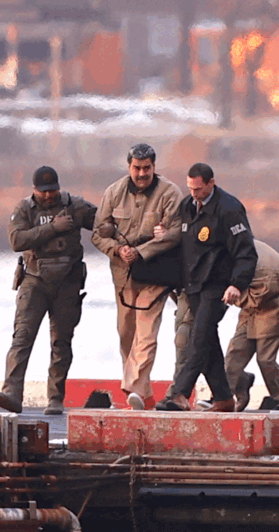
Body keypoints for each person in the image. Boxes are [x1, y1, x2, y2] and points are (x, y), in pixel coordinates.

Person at [0, 166, 97, 415]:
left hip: (67, 282)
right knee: (22, 337)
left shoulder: (75, 205)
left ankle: (55, 398)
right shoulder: (23, 209)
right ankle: (12, 392)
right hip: (35, 280)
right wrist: (54, 227)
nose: (49, 196)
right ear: (34, 190)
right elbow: (16, 241)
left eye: (53, 191)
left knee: (61, 342)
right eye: (44, 192)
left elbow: (102, 223)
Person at [155, 163, 257, 412]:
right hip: (193, 285)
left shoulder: (229, 209)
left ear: (211, 183)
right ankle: (223, 399)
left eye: (198, 189)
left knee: (198, 336)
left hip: (218, 286)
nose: (194, 194)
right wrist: (165, 234)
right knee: (207, 340)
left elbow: (246, 252)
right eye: (190, 188)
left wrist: (236, 284)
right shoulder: (187, 206)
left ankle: (180, 393)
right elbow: (184, 244)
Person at [91, 143, 184, 410]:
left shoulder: (169, 193)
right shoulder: (114, 192)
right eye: (137, 168)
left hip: (156, 273)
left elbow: (175, 233)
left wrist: (142, 251)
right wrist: (118, 250)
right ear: (129, 166)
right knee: (126, 335)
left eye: (146, 168)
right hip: (123, 277)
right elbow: (98, 234)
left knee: (146, 334)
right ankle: (143, 395)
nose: (141, 173)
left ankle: (131, 386)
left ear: (154, 167)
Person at [224, 239, 279, 411]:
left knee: (265, 358)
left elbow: (260, 295)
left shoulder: (265, 270)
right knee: (235, 351)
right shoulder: (231, 248)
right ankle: (226, 394)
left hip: (278, 305)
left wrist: (228, 294)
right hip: (252, 301)